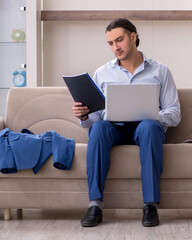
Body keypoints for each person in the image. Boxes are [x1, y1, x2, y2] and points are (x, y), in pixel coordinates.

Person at [72, 18, 181, 227]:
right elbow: (95, 117)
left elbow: (175, 113)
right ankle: (95, 205)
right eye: (110, 43)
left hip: (146, 129)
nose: (115, 47)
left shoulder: (161, 71)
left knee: (149, 126)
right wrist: (84, 116)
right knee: (98, 128)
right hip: (113, 129)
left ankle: (150, 206)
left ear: (133, 37)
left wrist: (151, 114)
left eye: (119, 40)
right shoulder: (102, 73)